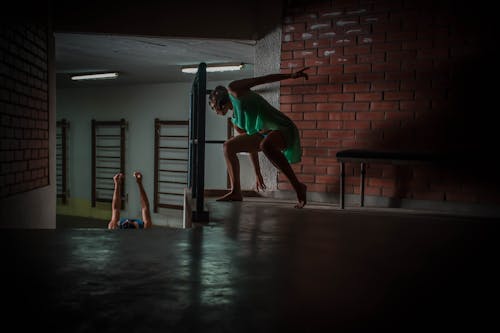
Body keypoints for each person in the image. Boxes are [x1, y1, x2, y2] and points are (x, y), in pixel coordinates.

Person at [209, 67, 310, 208]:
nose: (213, 109)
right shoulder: (236, 121)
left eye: (213, 106)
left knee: (266, 145)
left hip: (281, 127)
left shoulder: (234, 89)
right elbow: (251, 147)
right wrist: (257, 172)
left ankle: (298, 187)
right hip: (263, 135)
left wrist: (291, 75)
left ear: (219, 102)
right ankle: (236, 192)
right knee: (228, 146)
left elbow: (261, 79)